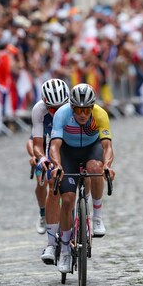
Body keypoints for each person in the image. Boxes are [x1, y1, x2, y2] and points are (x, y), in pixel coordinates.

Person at [49, 84, 115, 274]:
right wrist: (57, 165)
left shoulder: (100, 114)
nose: (83, 114)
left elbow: (107, 146)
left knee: (95, 168)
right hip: (67, 152)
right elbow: (54, 146)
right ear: (72, 107)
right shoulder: (62, 114)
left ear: (92, 108)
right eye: (78, 110)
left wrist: (108, 166)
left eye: (87, 110)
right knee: (68, 199)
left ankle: (97, 217)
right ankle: (65, 252)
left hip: (90, 149)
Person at [28, 79, 69, 264]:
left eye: (60, 107)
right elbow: (35, 143)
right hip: (47, 147)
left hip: (70, 145)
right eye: (52, 108)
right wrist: (40, 158)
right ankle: (46, 220)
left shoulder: (73, 108)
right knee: (46, 182)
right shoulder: (39, 110)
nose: (57, 112)